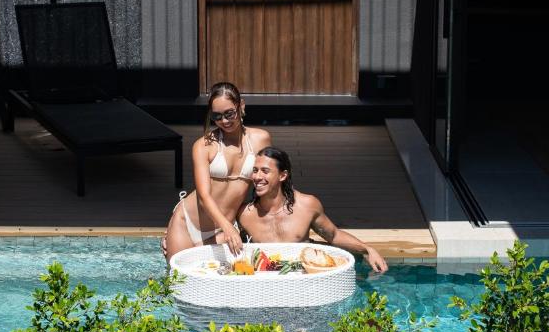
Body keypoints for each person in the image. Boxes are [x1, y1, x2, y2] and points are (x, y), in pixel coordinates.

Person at [237, 146, 389, 273]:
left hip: (304, 278)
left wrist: (367, 249)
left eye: (265, 171)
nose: (257, 177)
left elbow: (334, 235)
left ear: (283, 175)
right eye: (255, 170)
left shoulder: (306, 205)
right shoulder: (245, 214)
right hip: (266, 282)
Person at [163, 82, 271, 260]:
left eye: (229, 113)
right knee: (177, 283)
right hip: (188, 224)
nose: (225, 121)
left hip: (223, 230)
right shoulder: (203, 145)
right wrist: (229, 228)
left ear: (241, 106)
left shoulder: (261, 139)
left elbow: (270, 181)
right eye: (217, 116)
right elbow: (204, 196)